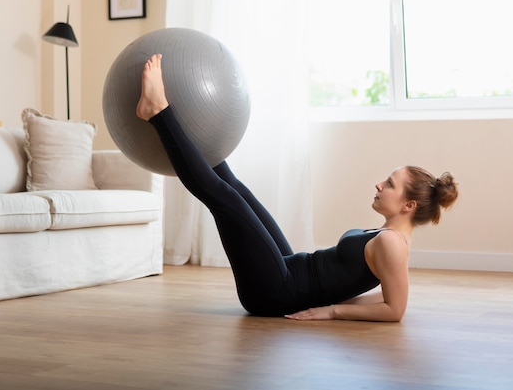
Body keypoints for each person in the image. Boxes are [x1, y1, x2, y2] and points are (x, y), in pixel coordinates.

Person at [136, 54, 459, 322]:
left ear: (409, 205)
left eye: (390, 184)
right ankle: (186, 127)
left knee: (225, 199)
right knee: (237, 188)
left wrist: (332, 311)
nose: (379, 184)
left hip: (276, 292)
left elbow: (395, 310)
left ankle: (160, 113)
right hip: (290, 268)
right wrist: (340, 305)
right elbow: (385, 298)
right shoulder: (389, 238)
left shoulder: (393, 244)